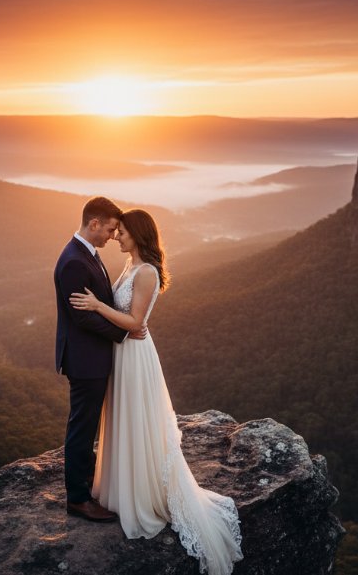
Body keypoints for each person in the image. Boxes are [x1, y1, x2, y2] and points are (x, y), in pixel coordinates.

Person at [70, 209, 243, 574]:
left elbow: (135, 322)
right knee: (123, 419)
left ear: (138, 234)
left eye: (123, 232)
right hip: (122, 352)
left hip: (134, 356)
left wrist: (97, 306)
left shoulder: (146, 271)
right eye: (115, 231)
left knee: (137, 421)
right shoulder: (130, 267)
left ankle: (142, 495)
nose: (117, 236)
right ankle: (121, 486)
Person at [54, 196, 144, 522]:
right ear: (94, 224)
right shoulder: (75, 261)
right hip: (85, 360)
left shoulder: (86, 254)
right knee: (82, 427)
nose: (111, 236)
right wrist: (125, 333)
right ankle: (77, 499)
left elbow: (97, 304)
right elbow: (82, 318)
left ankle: (87, 484)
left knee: (87, 424)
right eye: (108, 229)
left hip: (92, 357)